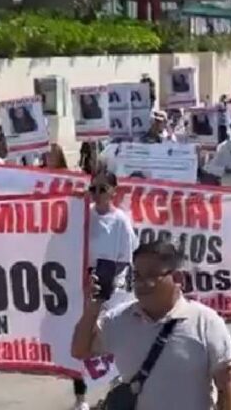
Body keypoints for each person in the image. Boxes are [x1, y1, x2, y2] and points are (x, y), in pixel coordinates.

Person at [71, 240, 231, 410]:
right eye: (137, 276)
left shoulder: (206, 322)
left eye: (152, 275)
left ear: (177, 278)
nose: (143, 283)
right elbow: (80, 350)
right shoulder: (119, 319)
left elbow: (227, 384)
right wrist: (93, 307)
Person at [70, 172, 139, 410]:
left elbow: (126, 258)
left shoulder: (120, 220)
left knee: (112, 341)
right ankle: (80, 397)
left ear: (113, 192)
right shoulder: (83, 216)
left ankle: (114, 392)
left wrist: (107, 280)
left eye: (102, 189)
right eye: (93, 189)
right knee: (80, 337)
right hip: (85, 283)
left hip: (113, 285)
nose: (97, 194)